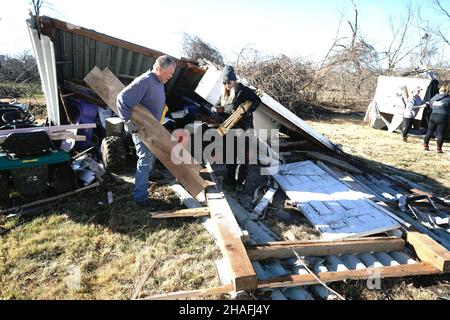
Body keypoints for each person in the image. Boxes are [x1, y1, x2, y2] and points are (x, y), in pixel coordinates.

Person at [116, 55, 176, 205]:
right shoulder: (146, 81)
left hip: (152, 128)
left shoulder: (159, 81)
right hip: (141, 129)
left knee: (150, 159)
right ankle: (140, 198)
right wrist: (126, 121)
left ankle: (143, 185)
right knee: (145, 160)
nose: (172, 75)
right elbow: (121, 98)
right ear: (160, 68)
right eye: (170, 72)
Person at [213, 65, 261, 189]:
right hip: (229, 129)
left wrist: (247, 111)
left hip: (244, 128)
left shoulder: (243, 91)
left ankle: (240, 183)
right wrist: (215, 109)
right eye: (225, 83)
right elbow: (215, 106)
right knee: (230, 156)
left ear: (234, 80)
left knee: (242, 158)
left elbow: (257, 101)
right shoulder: (225, 95)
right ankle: (230, 181)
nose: (227, 85)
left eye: (229, 82)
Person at [423, 85, 450, 153]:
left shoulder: (433, 98)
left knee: (429, 131)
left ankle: (425, 146)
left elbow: (430, 105)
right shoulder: (448, 99)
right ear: (446, 91)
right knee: (440, 133)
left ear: (439, 90)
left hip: (433, 115)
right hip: (443, 116)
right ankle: (439, 149)